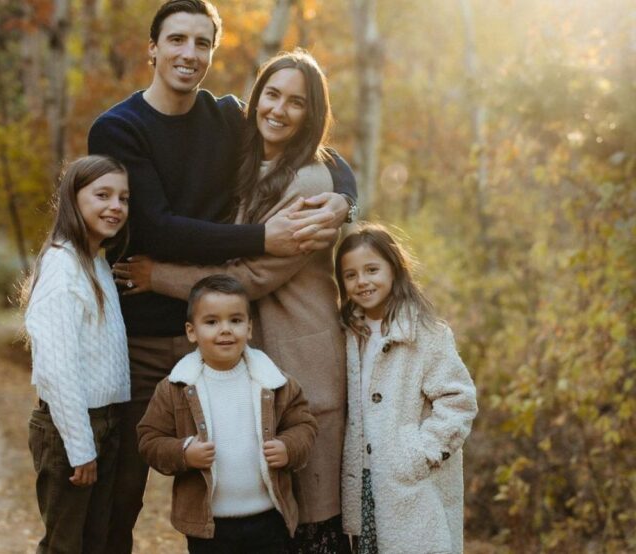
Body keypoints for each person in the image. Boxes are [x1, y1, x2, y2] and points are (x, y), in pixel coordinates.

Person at [87, 1, 357, 551]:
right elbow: (156, 227)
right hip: (144, 335)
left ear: (212, 51)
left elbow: (322, 151)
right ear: (153, 47)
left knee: (245, 488)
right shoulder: (119, 128)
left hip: (227, 337)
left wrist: (347, 200)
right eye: (177, 40)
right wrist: (262, 238)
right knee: (123, 492)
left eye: (202, 43)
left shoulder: (225, 116)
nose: (190, 54)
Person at [137, 275, 318, 553]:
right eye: (211, 322)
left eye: (235, 320)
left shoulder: (273, 382)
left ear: (250, 327)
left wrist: (288, 447)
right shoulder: (176, 386)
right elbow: (149, 439)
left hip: (269, 517)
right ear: (191, 331)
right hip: (209, 526)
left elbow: (304, 424)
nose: (225, 330)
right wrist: (184, 453)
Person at [335, 223, 478, 554]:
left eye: (372, 269)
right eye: (351, 275)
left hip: (411, 484)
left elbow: (459, 400)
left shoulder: (426, 334)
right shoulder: (346, 333)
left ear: (394, 269)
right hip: (363, 482)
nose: (362, 281)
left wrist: (419, 453)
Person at [22, 155, 131, 553]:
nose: (115, 206)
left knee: (94, 542)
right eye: (102, 195)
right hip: (71, 427)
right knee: (65, 545)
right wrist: (81, 447)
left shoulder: (96, 264)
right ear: (73, 198)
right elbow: (58, 368)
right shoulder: (61, 266)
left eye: (123, 197)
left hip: (105, 423)